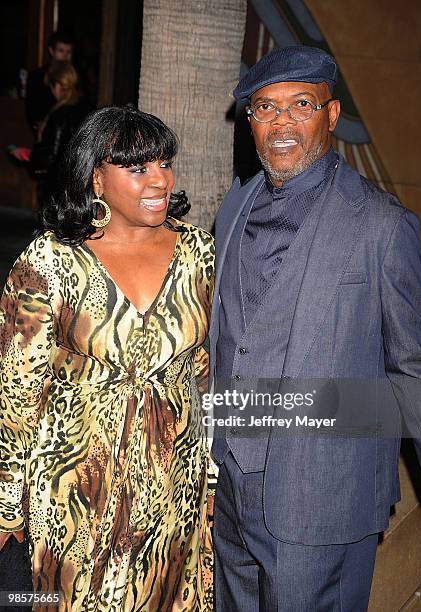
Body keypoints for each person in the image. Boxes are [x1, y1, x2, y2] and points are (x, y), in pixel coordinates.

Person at [210, 45, 421, 610]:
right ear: (251, 121)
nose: (282, 122)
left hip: (322, 496)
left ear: (331, 115)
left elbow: (415, 373)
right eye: (265, 108)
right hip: (230, 487)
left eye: (301, 104)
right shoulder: (234, 205)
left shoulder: (382, 226)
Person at [0, 106, 214, 610]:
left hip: (173, 492)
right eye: (138, 168)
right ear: (96, 177)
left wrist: (214, 476)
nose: (159, 179)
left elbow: (202, 369)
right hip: (74, 495)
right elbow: (16, 398)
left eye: (165, 163)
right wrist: (7, 507)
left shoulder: (199, 251)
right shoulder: (50, 261)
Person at [30, 61, 91, 179]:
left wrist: (40, 139)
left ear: (57, 85)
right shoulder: (88, 108)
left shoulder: (59, 115)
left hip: (61, 183)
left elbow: (50, 159)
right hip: (83, 178)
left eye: (51, 87)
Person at [25, 31, 74, 135]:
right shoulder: (37, 76)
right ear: (51, 51)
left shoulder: (75, 77)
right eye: (61, 51)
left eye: (68, 52)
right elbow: (32, 109)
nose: (65, 56)